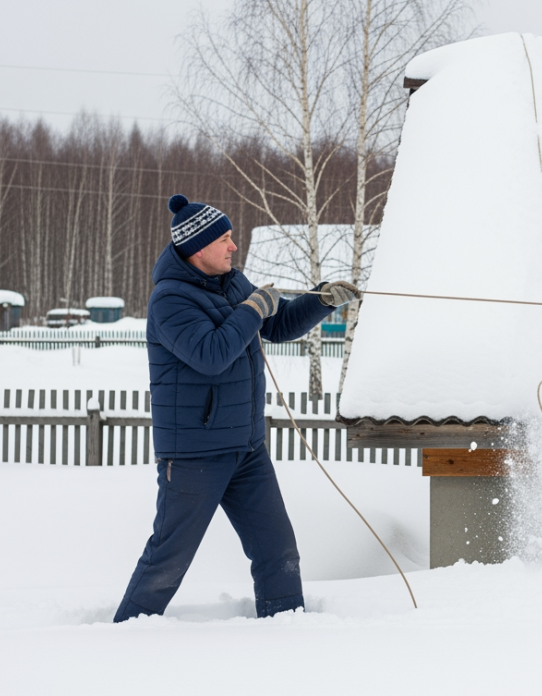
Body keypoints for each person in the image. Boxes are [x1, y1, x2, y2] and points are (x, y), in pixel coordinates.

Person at [114, 194, 360, 622]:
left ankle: (286, 631)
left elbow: (277, 324)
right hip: (194, 457)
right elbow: (212, 353)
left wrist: (321, 300)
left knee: (278, 551)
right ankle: (123, 635)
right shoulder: (170, 300)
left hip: (247, 450)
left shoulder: (232, 283)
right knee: (168, 560)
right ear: (198, 249)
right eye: (225, 239)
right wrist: (249, 310)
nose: (232, 246)